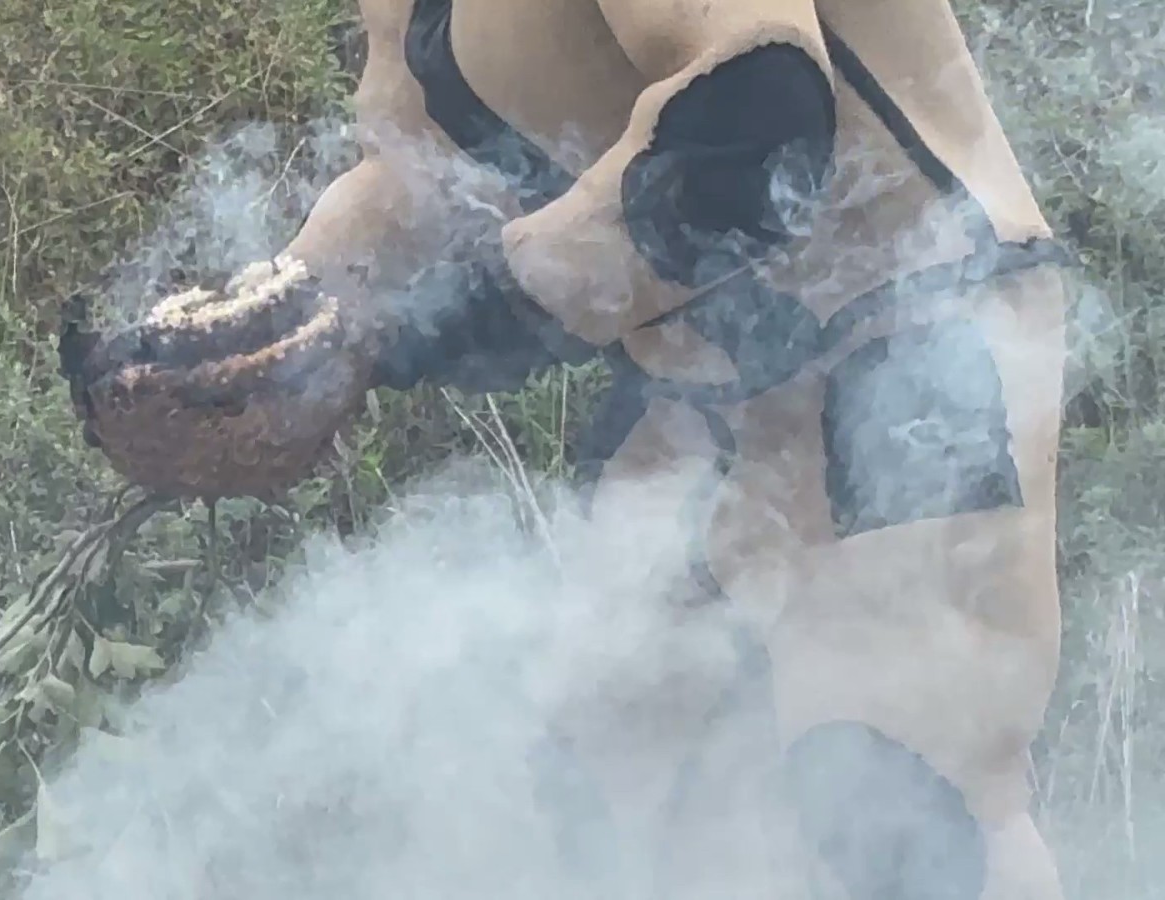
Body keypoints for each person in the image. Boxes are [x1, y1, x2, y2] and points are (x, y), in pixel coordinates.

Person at [77, 0, 1075, 896]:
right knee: (618, 769)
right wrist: (279, 326)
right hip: (697, 389)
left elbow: (751, 122)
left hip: (904, 337)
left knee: (901, 789)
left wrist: (497, 298)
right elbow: (416, 173)